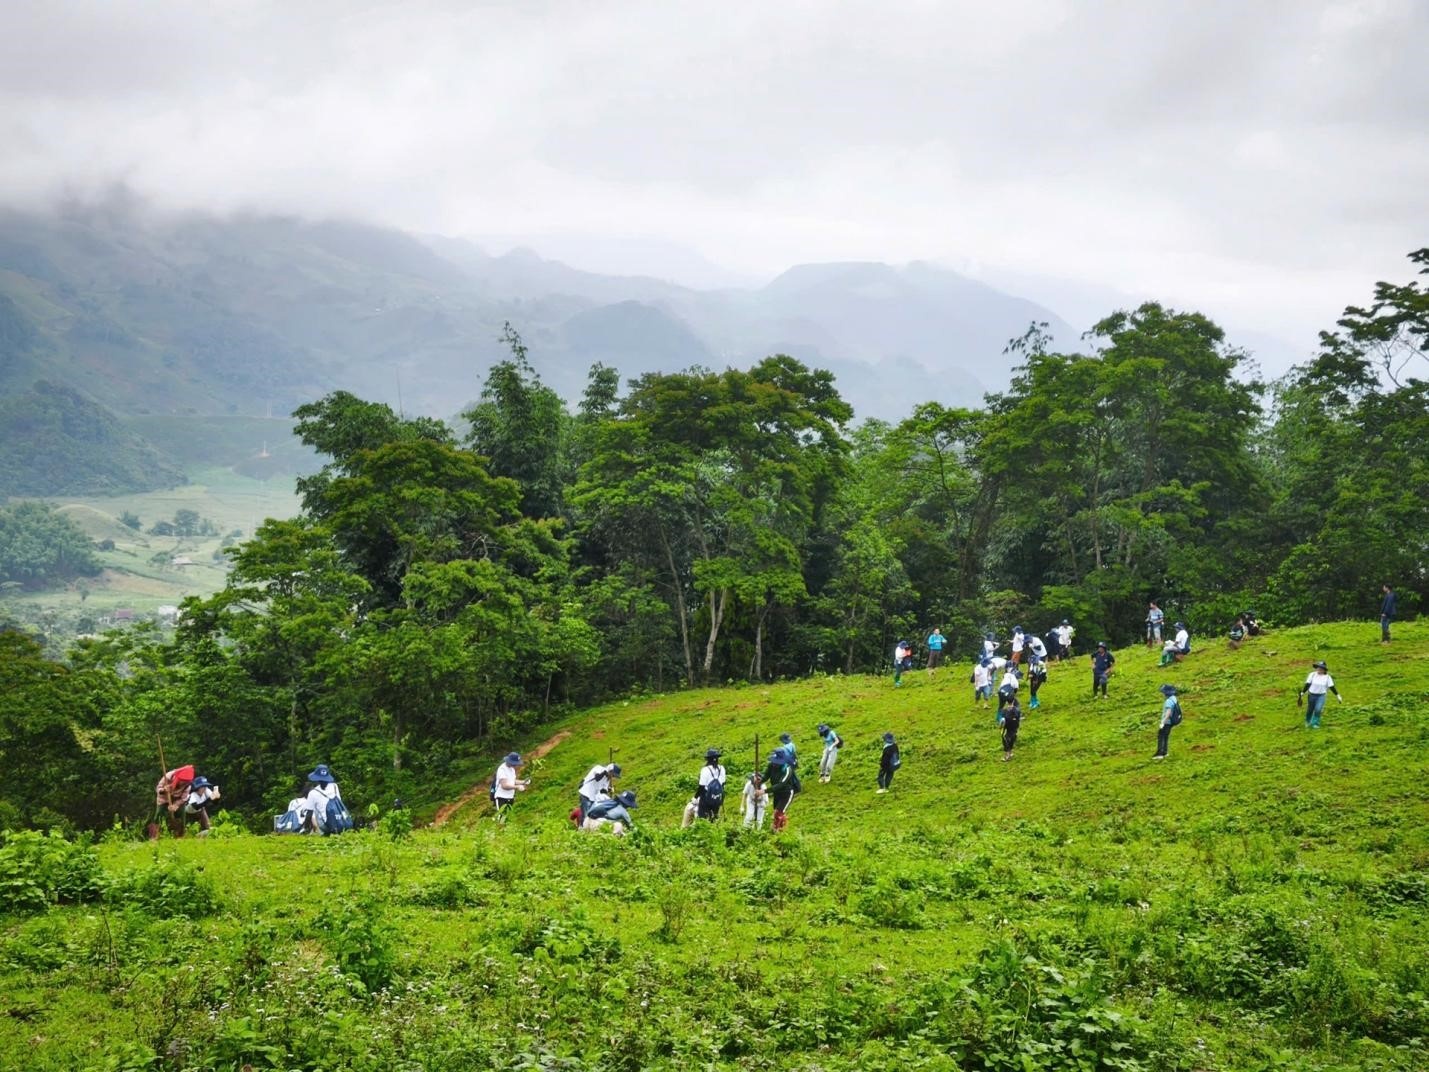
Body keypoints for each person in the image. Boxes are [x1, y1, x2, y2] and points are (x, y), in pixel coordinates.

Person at [152, 765, 196, 838]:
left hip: (178, 799)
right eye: (182, 780)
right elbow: (158, 789)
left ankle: (180, 835)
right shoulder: (168, 777)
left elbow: (183, 799)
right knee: (159, 814)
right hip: (163, 798)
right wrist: (164, 790)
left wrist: (175, 805)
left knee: (182, 814)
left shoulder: (188, 786)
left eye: (186, 782)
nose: (183, 783)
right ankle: (154, 836)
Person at [304, 764, 350, 834]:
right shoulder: (334, 786)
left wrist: (306, 828)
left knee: (314, 809)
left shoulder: (313, 793)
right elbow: (339, 801)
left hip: (326, 826)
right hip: (340, 821)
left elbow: (309, 814)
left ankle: (320, 832)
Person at [1297, 660, 1343, 728]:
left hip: (1321, 696)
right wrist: (1302, 693)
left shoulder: (1327, 677)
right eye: (1318, 667)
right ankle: (1308, 721)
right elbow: (1308, 684)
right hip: (1311, 695)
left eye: (1321, 668)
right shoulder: (1312, 675)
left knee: (1318, 709)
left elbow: (1332, 687)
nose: (1319, 669)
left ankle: (1315, 723)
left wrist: (1337, 695)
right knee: (1310, 709)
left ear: (1324, 670)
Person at [763, 746, 799, 831]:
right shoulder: (771, 765)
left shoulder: (787, 769)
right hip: (777, 793)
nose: (775, 764)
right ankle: (780, 829)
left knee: (778, 813)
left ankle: (777, 830)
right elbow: (766, 776)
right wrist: (759, 781)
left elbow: (781, 784)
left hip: (786, 793)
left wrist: (764, 791)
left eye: (777, 763)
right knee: (777, 812)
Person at [492, 752, 529, 820]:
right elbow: (504, 785)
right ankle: (500, 829)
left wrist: (523, 782)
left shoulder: (512, 769)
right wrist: (517, 787)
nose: (516, 765)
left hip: (510, 797)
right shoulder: (502, 769)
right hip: (501, 798)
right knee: (501, 817)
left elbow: (513, 781)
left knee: (508, 817)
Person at [695, 748, 726, 821]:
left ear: (708, 759)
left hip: (706, 797)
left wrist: (695, 797)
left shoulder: (705, 769)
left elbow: (701, 787)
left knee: (703, 817)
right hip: (717, 796)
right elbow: (723, 783)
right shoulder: (722, 768)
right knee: (714, 816)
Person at [1154, 684, 1183, 760]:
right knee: (1166, 736)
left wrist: (1163, 722)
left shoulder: (1168, 701)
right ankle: (1165, 752)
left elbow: (1168, 712)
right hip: (1170, 722)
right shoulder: (1174, 698)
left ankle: (1160, 753)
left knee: (1161, 736)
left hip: (1167, 722)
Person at [1001, 697, 1022, 761]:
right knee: (1012, 738)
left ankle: (1007, 755)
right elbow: (1018, 719)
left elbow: (1002, 720)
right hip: (1014, 727)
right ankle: (1010, 752)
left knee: (1005, 739)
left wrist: (1001, 726)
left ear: (1007, 702)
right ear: (1013, 702)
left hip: (1006, 728)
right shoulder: (1017, 710)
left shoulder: (1004, 710)